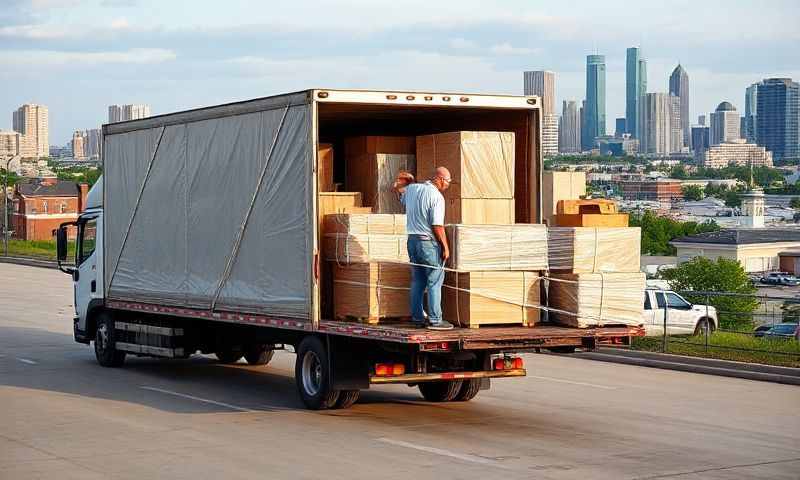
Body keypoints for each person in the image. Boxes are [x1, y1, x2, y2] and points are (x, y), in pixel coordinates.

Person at [393, 167, 454, 330]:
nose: (448, 185)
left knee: (418, 280)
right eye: (448, 182)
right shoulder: (436, 196)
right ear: (440, 179)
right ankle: (435, 320)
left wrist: (403, 182)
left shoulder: (412, 189)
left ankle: (417, 317)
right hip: (427, 242)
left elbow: (400, 194)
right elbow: (437, 225)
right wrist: (445, 247)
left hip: (412, 241)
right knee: (435, 280)